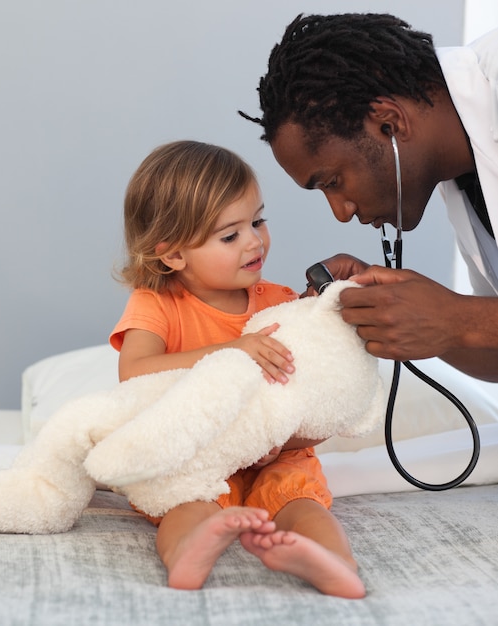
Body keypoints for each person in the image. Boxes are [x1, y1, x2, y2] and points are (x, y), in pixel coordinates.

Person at [109, 140, 366, 598]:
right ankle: (189, 550)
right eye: (230, 236)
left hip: (277, 452)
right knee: (185, 506)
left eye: (258, 221)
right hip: (197, 456)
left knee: (304, 506)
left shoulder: (283, 302)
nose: (254, 241)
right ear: (172, 255)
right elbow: (136, 373)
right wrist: (234, 351)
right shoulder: (156, 304)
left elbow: (310, 392)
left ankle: (333, 562)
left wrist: (288, 438)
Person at [240, 13, 498, 382]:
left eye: (333, 182)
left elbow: (476, 325)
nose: (341, 212)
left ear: (389, 123)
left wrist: (456, 318)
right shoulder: (461, 176)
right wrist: (396, 315)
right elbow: (493, 356)